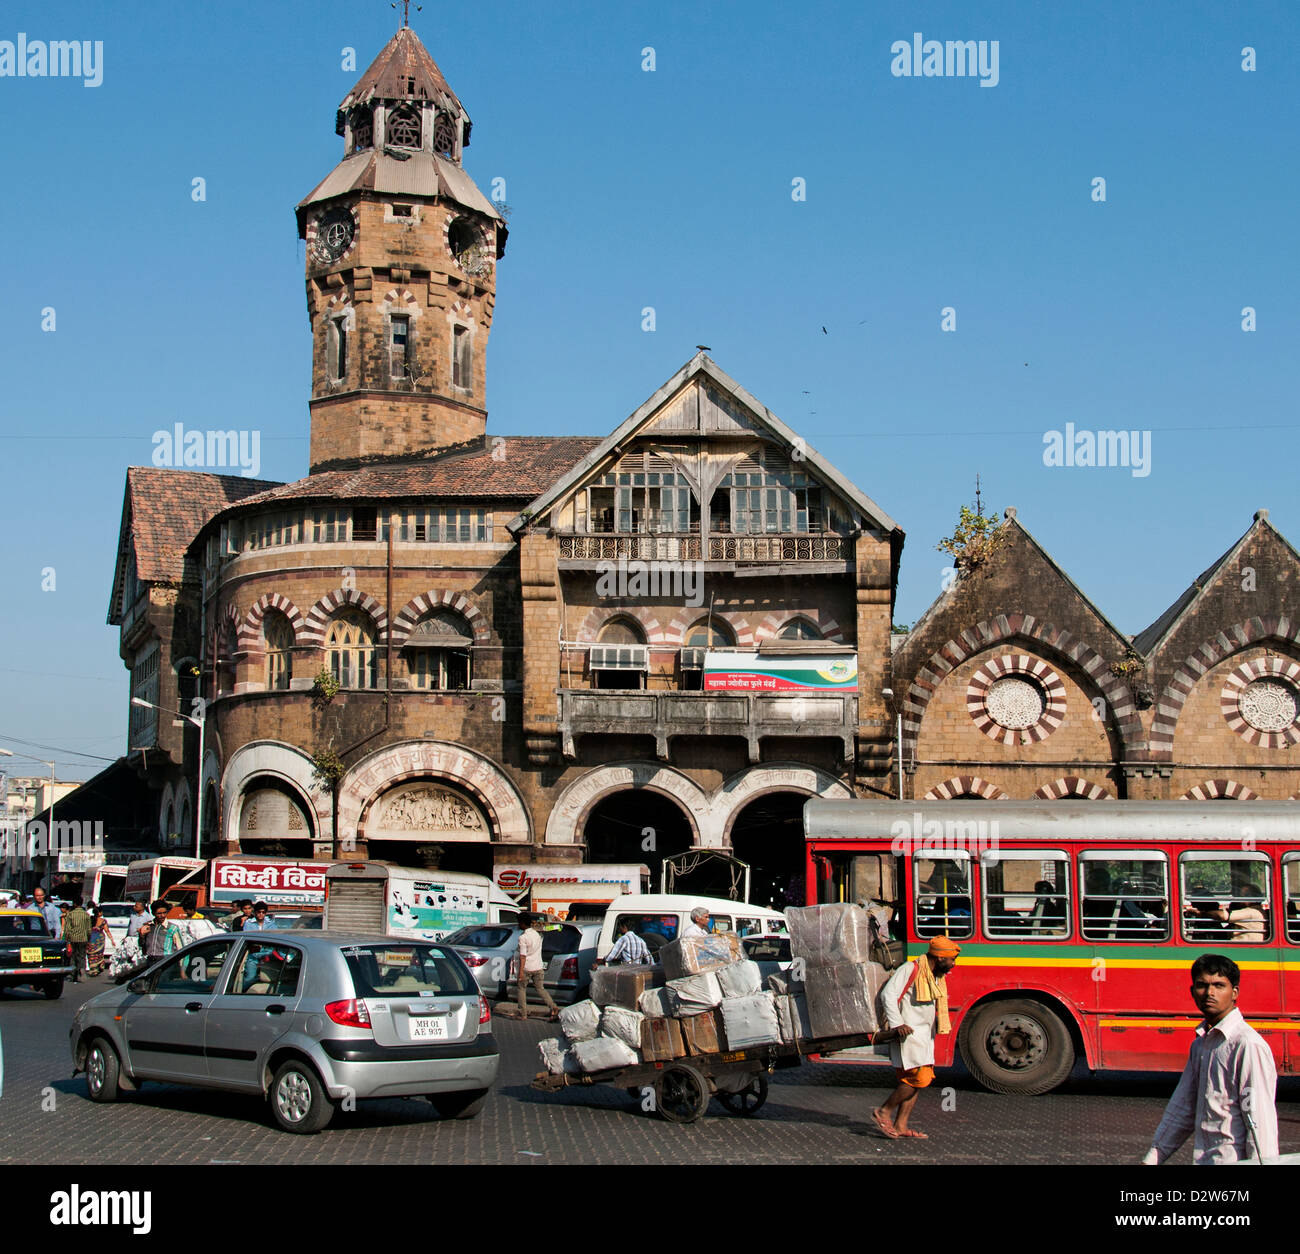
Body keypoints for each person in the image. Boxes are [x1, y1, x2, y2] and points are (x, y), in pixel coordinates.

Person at [1143, 954, 1279, 1165]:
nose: (1210, 993)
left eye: (1219, 985)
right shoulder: (1200, 1045)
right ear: (1192, 992)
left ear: (1234, 993)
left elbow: (1259, 1121)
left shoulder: (1247, 1045)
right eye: (1202, 985)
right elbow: (1182, 1108)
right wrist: (1151, 1160)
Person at [872, 936, 961, 1140]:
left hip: (924, 1035)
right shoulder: (909, 969)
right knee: (918, 1079)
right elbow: (888, 995)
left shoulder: (934, 975)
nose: (953, 965)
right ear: (939, 958)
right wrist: (897, 1024)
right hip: (908, 1034)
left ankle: (901, 1125)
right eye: (951, 960)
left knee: (917, 1080)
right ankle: (884, 1111)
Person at [516, 914, 560, 1021]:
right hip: (538, 966)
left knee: (521, 989)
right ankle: (553, 1007)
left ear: (522, 923)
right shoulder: (538, 935)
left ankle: (523, 1014)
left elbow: (523, 956)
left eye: (519, 923)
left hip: (527, 967)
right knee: (540, 989)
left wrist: (520, 972)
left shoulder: (523, 937)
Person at [136, 899, 176, 965]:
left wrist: (182, 970)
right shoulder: (148, 926)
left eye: (164, 912)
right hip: (150, 961)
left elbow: (181, 948)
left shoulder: (173, 928)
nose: (162, 915)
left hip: (166, 961)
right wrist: (141, 935)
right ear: (153, 913)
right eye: (159, 913)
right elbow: (141, 944)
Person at [63, 899, 92, 982]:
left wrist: (67, 940)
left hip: (73, 939)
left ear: (74, 904)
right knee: (82, 956)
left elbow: (67, 929)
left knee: (73, 957)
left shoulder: (70, 914)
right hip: (83, 939)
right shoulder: (86, 915)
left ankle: (72, 975)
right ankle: (81, 973)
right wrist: (88, 939)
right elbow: (89, 930)